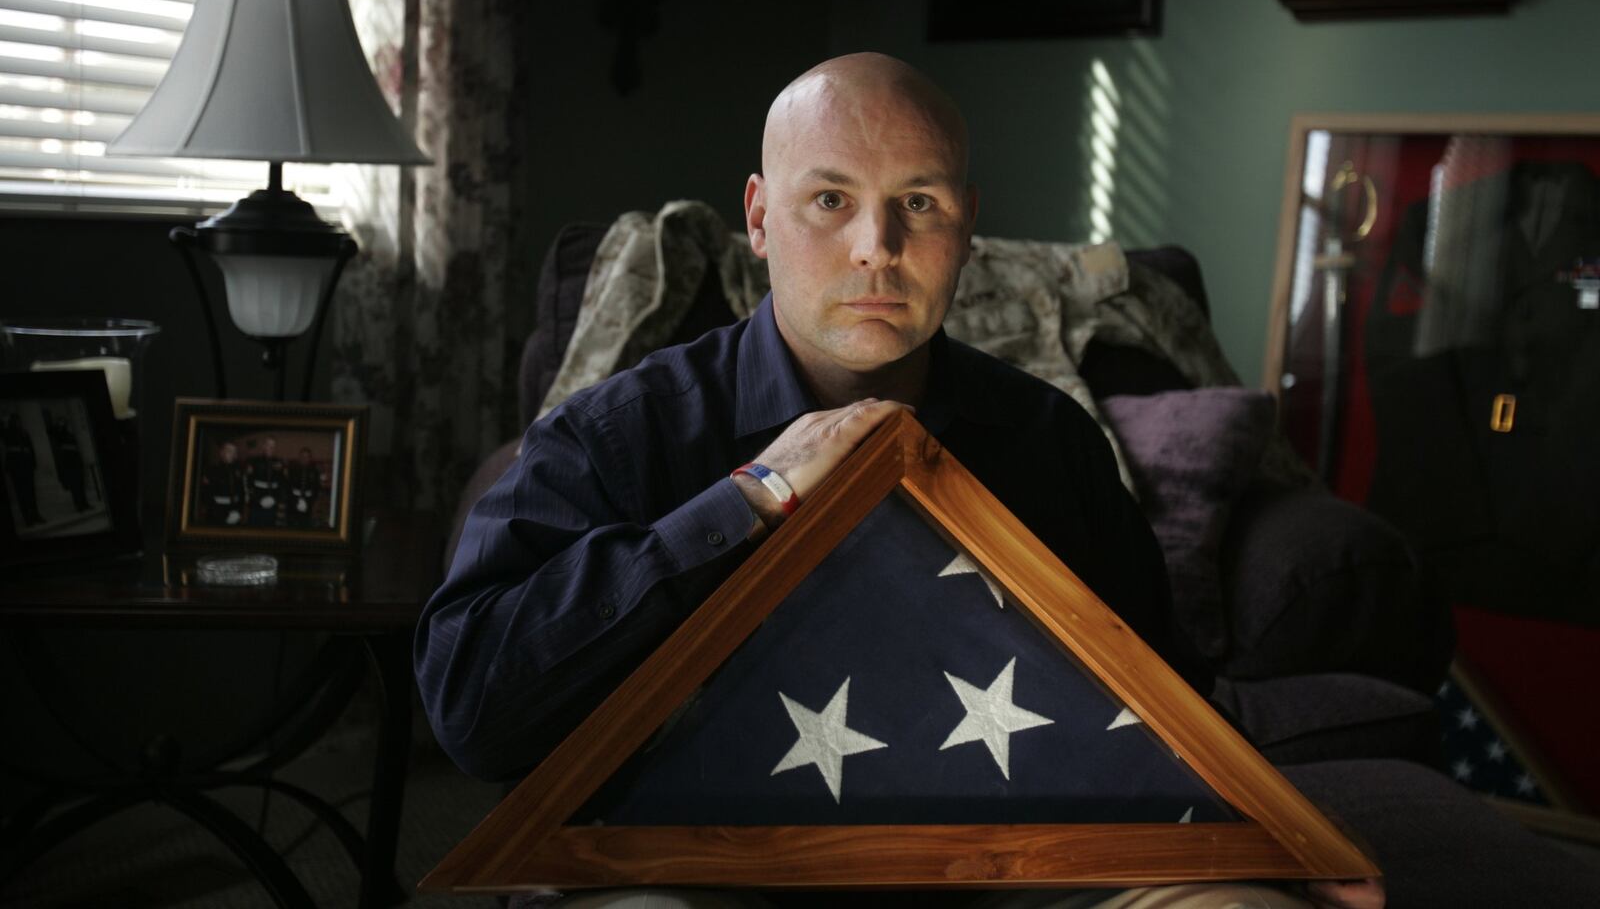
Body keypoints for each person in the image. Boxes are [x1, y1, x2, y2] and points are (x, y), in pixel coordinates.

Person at [416, 54, 1379, 909]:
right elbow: (471, 707)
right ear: (759, 216)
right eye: (830, 200)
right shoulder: (618, 436)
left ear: (967, 228)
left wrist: (1276, 846)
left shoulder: (1052, 443)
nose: (877, 245)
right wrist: (743, 500)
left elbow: (1163, 717)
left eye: (919, 202)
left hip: (1022, 874)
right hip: (698, 869)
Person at [3, 411, 44, 527]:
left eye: (19, 420)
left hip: (27, 465)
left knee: (31, 492)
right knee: (21, 494)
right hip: (16, 466)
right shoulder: (7, 432)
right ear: (11, 421)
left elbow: (31, 448)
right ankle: (27, 519)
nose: (18, 422)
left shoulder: (25, 433)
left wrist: (33, 463)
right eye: (15, 420)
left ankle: (35, 515)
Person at [44, 408, 88, 513]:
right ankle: (79, 506)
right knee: (74, 485)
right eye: (61, 421)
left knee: (81, 483)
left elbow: (76, 447)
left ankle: (85, 503)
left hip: (76, 460)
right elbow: (50, 431)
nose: (63, 423)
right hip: (69, 462)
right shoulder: (59, 433)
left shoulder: (70, 434)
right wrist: (57, 424)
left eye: (64, 421)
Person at [200, 440, 248, 527]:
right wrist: (221, 515)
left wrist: (239, 512)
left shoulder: (238, 471)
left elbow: (242, 493)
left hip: (235, 512)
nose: (232, 454)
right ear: (221, 453)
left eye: (234, 452)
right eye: (229, 451)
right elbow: (206, 495)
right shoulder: (211, 470)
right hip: (217, 513)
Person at [245, 435, 286, 528]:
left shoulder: (279, 462)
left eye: (273, 446)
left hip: (272, 503)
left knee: (269, 527)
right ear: (263, 446)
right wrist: (258, 500)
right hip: (257, 503)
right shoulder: (254, 461)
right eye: (268, 445)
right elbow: (249, 483)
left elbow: (282, 484)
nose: (270, 448)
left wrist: (275, 499)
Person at [286, 446, 321, 528]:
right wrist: (295, 502)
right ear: (299, 457)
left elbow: (316, 488)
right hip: (293, 502)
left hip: (308, 503)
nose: (304, 458)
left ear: (310, 458)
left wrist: (310, 502)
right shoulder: (292, 469)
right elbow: (288, 487)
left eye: (307, 456)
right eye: (302, 456)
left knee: (305, 526)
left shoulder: (314, 471)